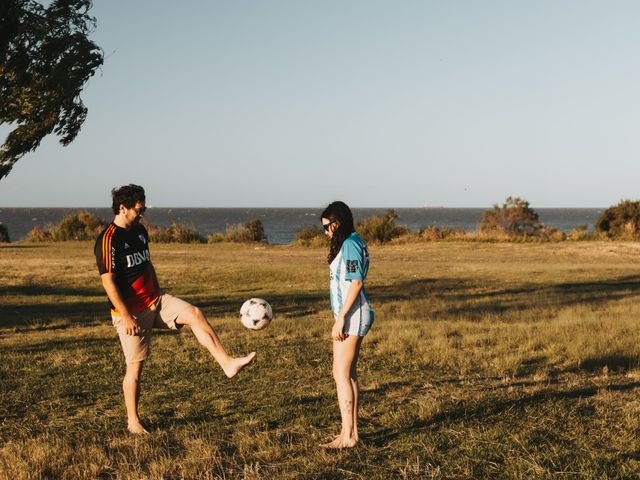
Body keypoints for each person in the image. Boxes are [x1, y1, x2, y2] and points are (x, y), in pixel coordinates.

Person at [94, 184, 255, 434]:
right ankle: (133, 421)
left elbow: (147, 265)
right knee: (135, 369)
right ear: (122, 208)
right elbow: (108, 281)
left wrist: (158, 291)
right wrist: (126, 316)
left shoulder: (140, 232)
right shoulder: (108, 238)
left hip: (156, 301)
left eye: (144, 208)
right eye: (139, 209)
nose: (142, 213)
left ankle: (227, 363)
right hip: (130, 314)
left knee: (195, 314)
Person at [319, 201, 374, 449]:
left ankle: (348, 436)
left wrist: (341, 317)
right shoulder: (350, 241)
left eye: (328, 226)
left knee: (340, 374)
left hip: (352, 314)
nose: (326, 232)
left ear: (338, 222)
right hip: (351, 313)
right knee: (347, 374)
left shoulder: (351, 243)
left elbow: (356, 283)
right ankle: (350, 433)